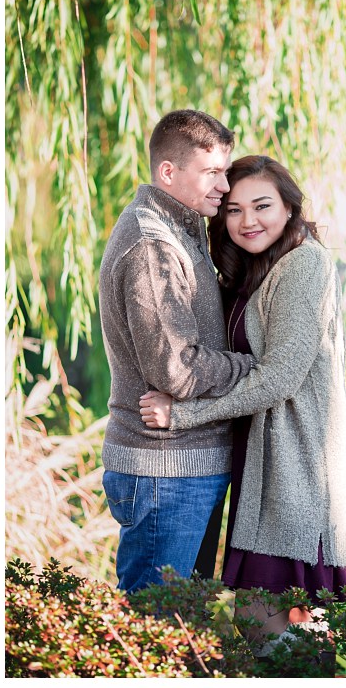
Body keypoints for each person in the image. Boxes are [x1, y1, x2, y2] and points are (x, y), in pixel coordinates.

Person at [138, 155, 346, 647]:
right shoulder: (253, 269)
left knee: (279, 619)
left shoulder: (304, 263)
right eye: (233, 210)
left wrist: (183, 414)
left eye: (261, 206)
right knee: (263, 619)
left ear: (289, 207)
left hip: (300, 464)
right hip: (262, 464)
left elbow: (278, 379)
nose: (247, 221)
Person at [98, 110, 255, 593]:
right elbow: (177, 371)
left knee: (182, 632)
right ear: (169, 172)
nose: (226, 186)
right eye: (212, 172)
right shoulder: (152, 246)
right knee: (155, 636)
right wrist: (253, 367)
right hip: (164, 473)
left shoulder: (183, 231)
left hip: (185, 469)